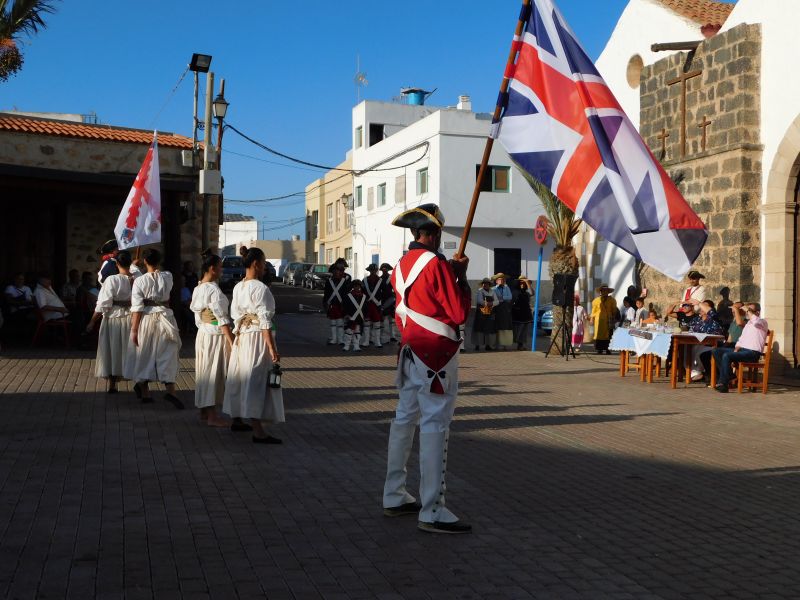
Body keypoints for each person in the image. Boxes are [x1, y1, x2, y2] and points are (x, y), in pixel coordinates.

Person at [382, 203, 472, 534]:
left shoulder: (401, 266)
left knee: (405, 418)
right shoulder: (437, 265)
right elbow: (459, 312)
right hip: (436, 354)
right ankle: (432, 507)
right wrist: (460, 277)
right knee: (435, 422)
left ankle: (394, 494)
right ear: (432, 233)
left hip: (409, 351)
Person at [223, 247, 284, 443]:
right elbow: (265, 321)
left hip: (243, 337)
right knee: (255, 381)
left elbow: (235, 316)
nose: (266, 267)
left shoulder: (239, 286)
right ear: (256, 264)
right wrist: (272, 348)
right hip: (257, 338)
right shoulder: (260, 288)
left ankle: (237, 419)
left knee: (240, 378)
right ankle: (258, 431)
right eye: (264, 263)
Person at [127, 248, 183, 409]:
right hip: (166, 317)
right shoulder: (168, 276)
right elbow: (159, 279)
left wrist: (134, 329)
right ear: (159, 260)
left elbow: (137, 307)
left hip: (147, 318)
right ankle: (170, 390)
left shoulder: (140, 281)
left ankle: (145, 392)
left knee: (146, 354)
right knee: (167, 352)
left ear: (145, 261)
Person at [190, 252, 235, 427]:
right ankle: (211, 416)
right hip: (214, 336)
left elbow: (198, 317)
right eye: (220, 266)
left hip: (203, 333)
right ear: (212, 268)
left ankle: (204, 410)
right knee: (213, 374)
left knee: (204, 371)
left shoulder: (198, 288)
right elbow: (221, 318)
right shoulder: (213, 290)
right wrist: (231, 340)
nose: (222, 270)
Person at [86, 250, 134, 394]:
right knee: (132, 351)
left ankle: (112, 384)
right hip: (133, 318)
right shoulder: (138, 278)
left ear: (117, 264)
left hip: (114, 318)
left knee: (113, 350)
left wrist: (92, 321)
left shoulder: (112, 280)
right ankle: (140, 383)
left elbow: (103, 304)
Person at [712, 303, 768, 393]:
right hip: (742, 350)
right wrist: (737, 346)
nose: (747, 312)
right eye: (748, 310)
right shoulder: (749, 323)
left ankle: (723, 384)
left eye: (750, 310)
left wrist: (747, 310)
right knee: (716, 351)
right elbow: (742, 338)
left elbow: (756, 321)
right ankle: (730, 375)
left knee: (727, 355)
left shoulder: (762, 322)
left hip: (753, 353)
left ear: (757, 312)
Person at [698, 301, 745, 379]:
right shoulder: (733, 322)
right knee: (705, 355)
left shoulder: (746, 321)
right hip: (731, 345)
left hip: (739, 346)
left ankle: (727, 375)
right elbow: (729, 338)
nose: (733, 310)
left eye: (736, 308)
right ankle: (715, 377)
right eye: (733, 309)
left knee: (719, 353)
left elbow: (739, 323)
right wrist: (722, 345)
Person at [687, 300, 724, 382]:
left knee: (698, 351)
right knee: (687, 349)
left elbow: (711, 312)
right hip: (697, 343)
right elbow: (690, 329)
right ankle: (694, 372)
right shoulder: (697, 319)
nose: (702, 308)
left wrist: (699, 303)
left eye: (704, 306)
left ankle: (700, 372)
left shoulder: (714, 318)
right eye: (701, 306)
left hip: (712, 344)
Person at [323, 264, 349, 345]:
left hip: (340, 305)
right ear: (332, 272)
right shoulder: (328, 281)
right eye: (334, 271)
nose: (336, 272)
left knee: (340, 323)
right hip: (332, 305)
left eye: (338, 271)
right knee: (333, 323)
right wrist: (325, 304)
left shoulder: (343, 281)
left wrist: (345, 305)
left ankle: (340, 340)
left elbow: (345, 294)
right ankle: (334, 339)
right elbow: (326, 294)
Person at [361, 264, 384, 348]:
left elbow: (384, 293)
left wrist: (381, 302)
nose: (373, 272)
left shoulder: (380, 280)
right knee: (367, 323)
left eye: (374, 270)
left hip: (377, 304)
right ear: (369, 271)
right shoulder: (364, 280)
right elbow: (362, 293)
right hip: (367, 304)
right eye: (371, 270)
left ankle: (377, 341)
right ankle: (366, 341)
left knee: (377, 323)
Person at [591, 284, 617, 354]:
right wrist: (591, 319)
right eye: (603, 291)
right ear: (600, 291)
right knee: (598, 335)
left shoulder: (612, 300)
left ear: (608, 291)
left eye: (606, 291)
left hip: (608, 319)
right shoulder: (596, 300)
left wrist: (614, 318)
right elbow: (593, 310)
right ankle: (599, 349)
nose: (604, 292)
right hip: (598, 321)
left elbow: (614, 310)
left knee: (608, 335)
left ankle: (608, 349)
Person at [342, 279, 367, 352]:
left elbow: (365, 307)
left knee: (358, 332)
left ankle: (356, 346)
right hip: (351, 316)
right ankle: (346, 345)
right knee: (349, 331)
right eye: (356, 286)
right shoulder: (348, 296)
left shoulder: (364, 296)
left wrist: (365, 315)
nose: (357, 288)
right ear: (353, 287)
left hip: (359, 317)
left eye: (359, 286)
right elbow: (345, 306)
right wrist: (346, 314)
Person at [472, 278, 496, 351]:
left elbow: (497, 301)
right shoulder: (480, 291)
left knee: (488, 329)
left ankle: (487, 345)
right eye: (484, 283)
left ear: (489, 285)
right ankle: (477, 345)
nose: (485, 285)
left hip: (490, 312)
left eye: (486, 283)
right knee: (479, 329)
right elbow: (479, 301)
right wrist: (487, 303)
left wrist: (491, 303)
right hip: (481, 313)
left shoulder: (492, 292)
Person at [512, 276, 534, 351]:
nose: (522, 285)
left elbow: (532, 293)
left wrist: (528, 283)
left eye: (524, 283)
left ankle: (520, 344)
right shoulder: (515, 291)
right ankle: (517, 343)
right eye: (521, 283)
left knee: (524, 331)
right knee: (518, 330)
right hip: (517, 314)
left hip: (526, 314)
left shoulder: (526, 292)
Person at [492, 273, 513, 350]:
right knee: (496, 327)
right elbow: (494, 298)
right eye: (500, 279)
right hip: (496, 309)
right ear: (496, 281)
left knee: (505, 326)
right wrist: (503, 299)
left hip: (505, 309)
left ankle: (504, 344)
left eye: (503, 279)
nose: (502, 280)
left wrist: (501, 298)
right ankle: (496, 345)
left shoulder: (507, 288)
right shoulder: (493, 289)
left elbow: (510, 297)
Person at [379, 263, 398, 344]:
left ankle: (392, 336)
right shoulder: (379, 279)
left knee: (391, 320)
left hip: (391, 299)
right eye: (383, 268)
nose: (384, 269)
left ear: (388, 269)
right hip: (383, 299)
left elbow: (395, 287)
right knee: (383, 319)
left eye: (386, 268)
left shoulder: (392, 277)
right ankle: (383, 337)